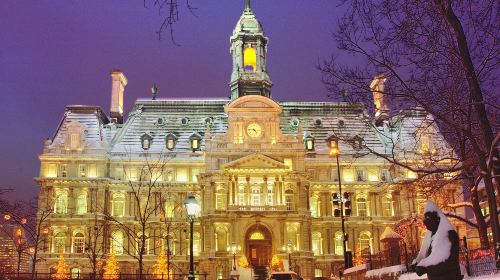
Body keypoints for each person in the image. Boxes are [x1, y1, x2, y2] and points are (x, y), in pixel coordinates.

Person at [412, 201, 463, 280]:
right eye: (425, 219)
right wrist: (417, 264)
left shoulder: (450, 234)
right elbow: (428, 257)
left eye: (429, 219)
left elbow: (449, 263)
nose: (426, 223)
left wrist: (426, 268)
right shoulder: (432, 238)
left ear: (437, 219)